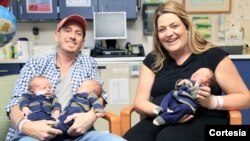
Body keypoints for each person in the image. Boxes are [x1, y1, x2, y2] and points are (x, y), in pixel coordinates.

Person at [123, 1, 250, 141]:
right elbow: (140, 102)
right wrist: (165, 113)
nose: (169, 33)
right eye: (162, 29)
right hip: (162, 116)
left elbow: (245, 98)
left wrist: (212, 101)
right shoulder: (153, 60)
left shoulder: (213, 55)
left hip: (204, 119)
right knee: (132, 138)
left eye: (174, 26)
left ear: (187, 27)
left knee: (169, 138)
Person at [5, 14, 126, 141]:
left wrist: (90, 117)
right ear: (57, 35)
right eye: (67, 30)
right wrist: (26, 126)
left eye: (78, 33)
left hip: (77, 134)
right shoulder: (35, 64)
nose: (72, 36)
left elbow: (101, 97)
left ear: (82, 42)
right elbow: (15, 103)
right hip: (35, 133)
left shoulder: (89, 63)